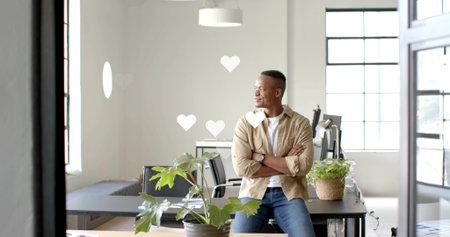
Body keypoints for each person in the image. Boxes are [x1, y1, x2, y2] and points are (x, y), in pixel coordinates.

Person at [231, 70, 315, 237]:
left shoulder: (300, 123)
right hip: (253, 193)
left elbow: (304, 166)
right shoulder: (245, 123)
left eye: (261, 89)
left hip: (289, 193)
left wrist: (261, 158)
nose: (255, 93)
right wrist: (286, 163)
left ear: (278, 92)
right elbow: (241, 168)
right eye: (255, 88)